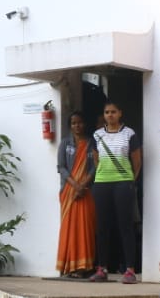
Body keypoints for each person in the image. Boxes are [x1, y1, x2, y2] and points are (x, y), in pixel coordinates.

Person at [89, 101, 143, 284]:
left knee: (126, 226)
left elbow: (137, 160)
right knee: (102, 227)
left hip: (123, 184)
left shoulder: (129, 133)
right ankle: (101, 268)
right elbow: (96, 160)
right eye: (106, 112)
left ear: (120, 113)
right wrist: (104, 175)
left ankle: (129, 270)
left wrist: (130, 180)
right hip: (102, 184)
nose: (110, 115)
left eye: (113, 111)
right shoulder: (97, 135)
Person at [55, 112, 98, 278]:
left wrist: (83, 184)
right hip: (69, 192)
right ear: (70, 126)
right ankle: (68, 267)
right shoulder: (65, 144)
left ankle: (84, 267)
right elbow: (61, 167)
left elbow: (95, 166)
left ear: (84, 124)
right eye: (73, 123)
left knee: (85, 228)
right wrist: (75, 185)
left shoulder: (91, 144)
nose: (77, 126)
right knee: (69, 228)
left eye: (79, 123)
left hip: (87, 192)